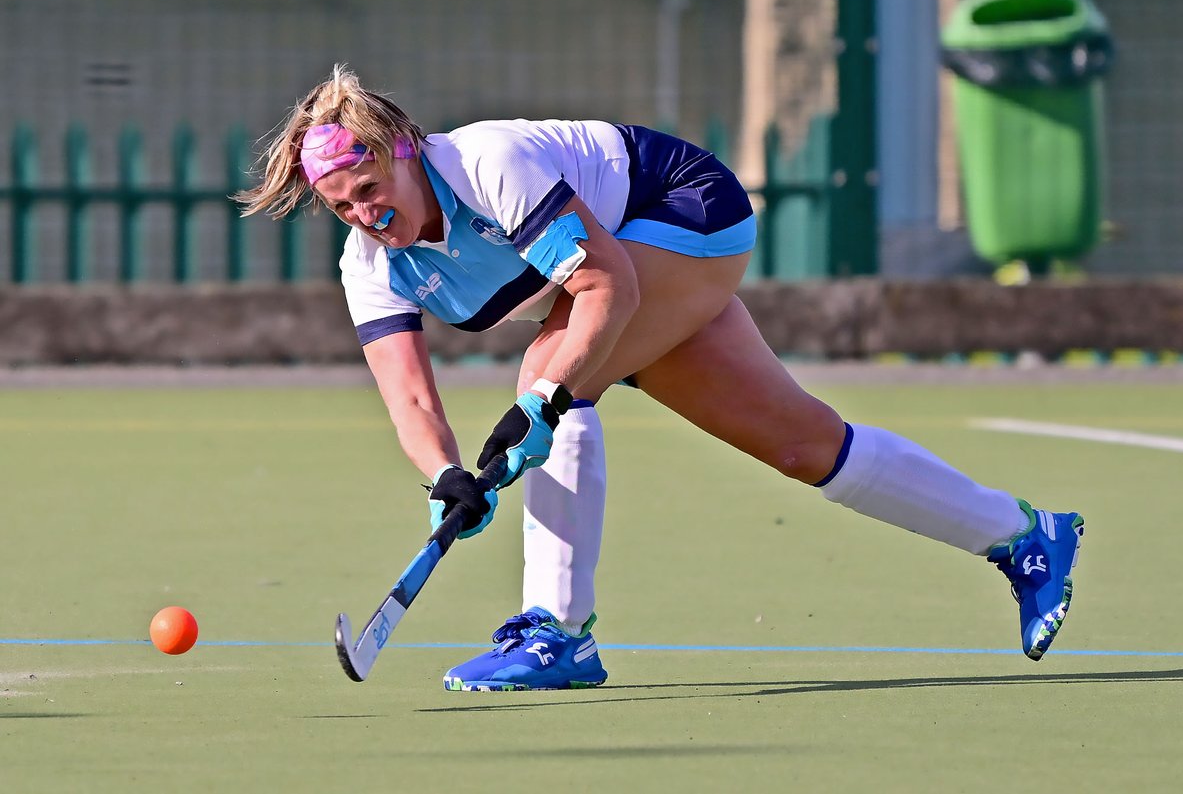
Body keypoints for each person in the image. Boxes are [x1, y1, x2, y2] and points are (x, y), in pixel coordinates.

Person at [238, 65, 1084, 692]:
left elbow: (607, 286)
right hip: (630, 272)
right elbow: (410, 397)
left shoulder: (490, 166)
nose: (365, 214)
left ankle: (557, 631)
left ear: (403, 151)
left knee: (556, 371)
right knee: (803, 446)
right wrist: (448, 477)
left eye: (370, 188)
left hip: (682, 211)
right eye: (343, 204)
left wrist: (539, 403)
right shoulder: (370, 263)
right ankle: (1023, 535)